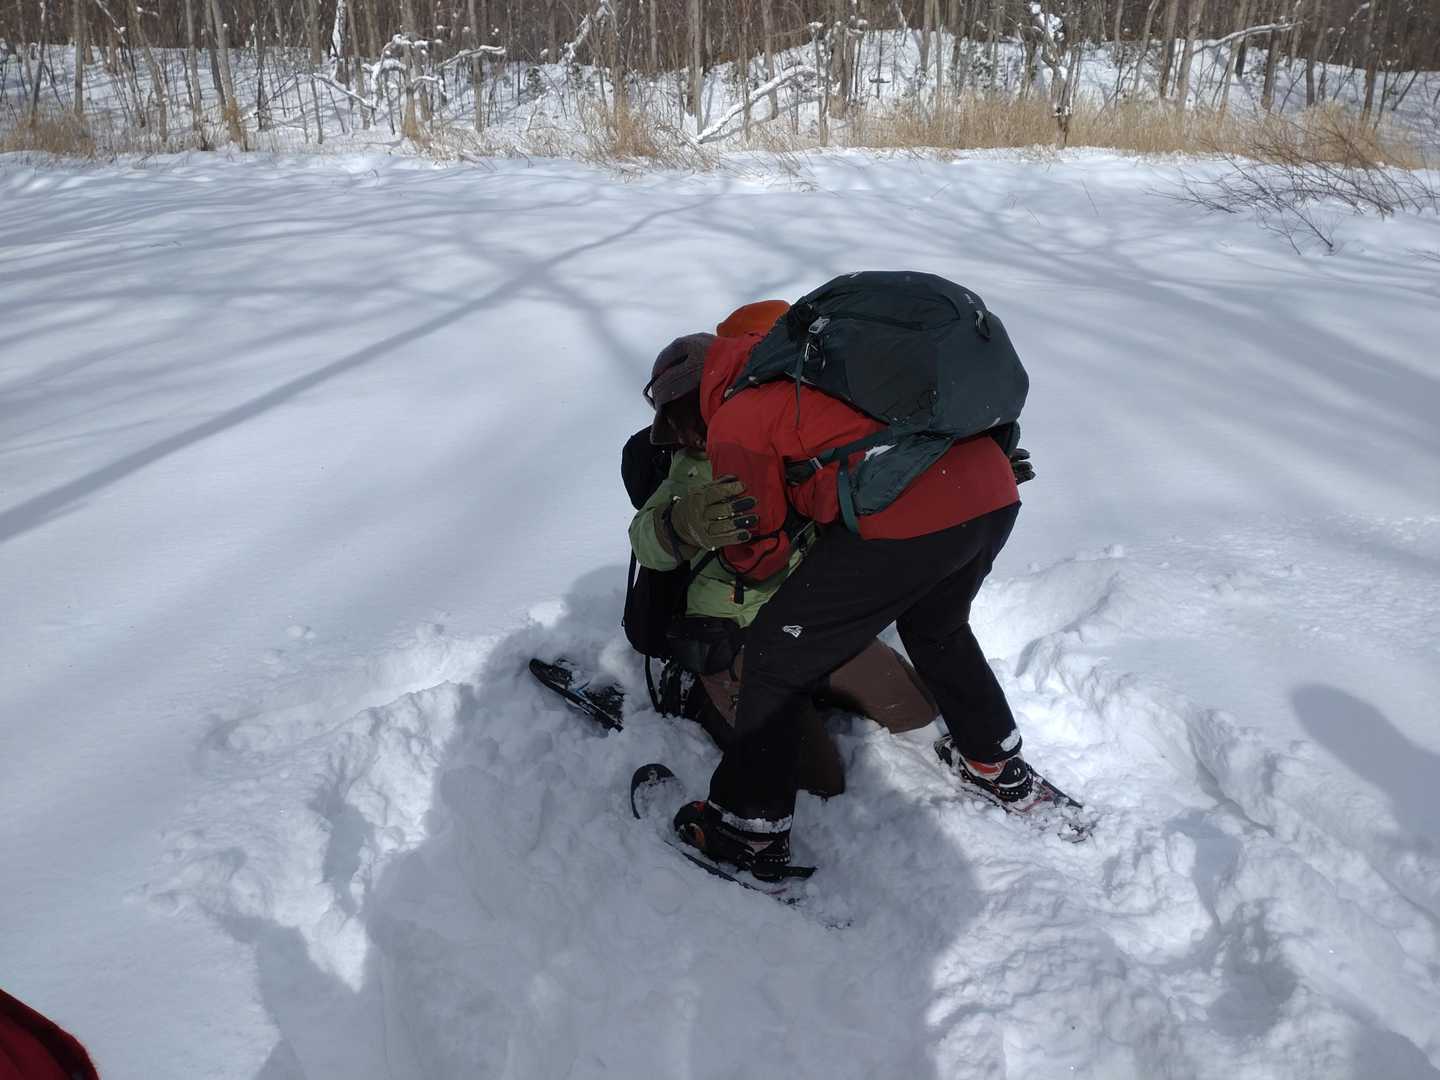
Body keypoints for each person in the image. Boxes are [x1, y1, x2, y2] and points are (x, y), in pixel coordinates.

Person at [666, 291, 1039, 880]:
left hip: (913, 519)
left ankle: (745, 832)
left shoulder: (740, 413)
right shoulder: (822, 373)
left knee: (772, 659)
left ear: (699, 391)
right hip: (991, 494)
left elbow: (759, 552)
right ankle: (998, 762)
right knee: (938, 626)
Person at [630, 302, 940, 798]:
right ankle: (691, 691)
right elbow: (646, 541)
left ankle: (808, 691)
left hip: (805, 621)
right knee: (817, 779)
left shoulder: (790, 431)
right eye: (679, 417)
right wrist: (682, 524)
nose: (688, 431)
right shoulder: (688, 467)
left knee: (916, 712)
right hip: (733, 638)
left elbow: (866, 480)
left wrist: (952, 481)